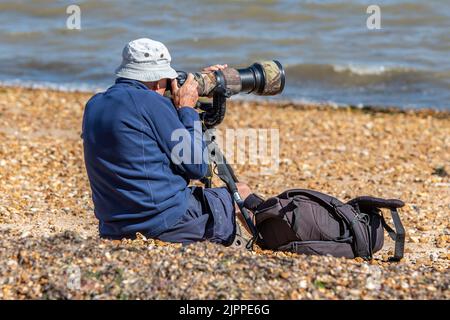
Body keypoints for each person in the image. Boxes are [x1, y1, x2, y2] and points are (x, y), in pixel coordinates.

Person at [82, 38, 252, 246]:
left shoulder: (94, 104)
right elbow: (198, 167)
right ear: (156, 81)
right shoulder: (151, 103)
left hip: (113, 226)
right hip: (164, 223)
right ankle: (269, 242)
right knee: (241, 192)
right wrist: (187, 110)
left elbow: (142, 140)